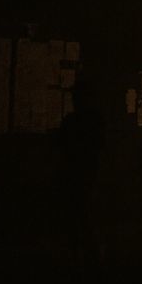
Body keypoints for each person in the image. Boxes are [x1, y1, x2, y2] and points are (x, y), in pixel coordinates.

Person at [58, 79, 104, 265]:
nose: (75, 100)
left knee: (83, 216)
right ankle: (83, 253)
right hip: (78, 174)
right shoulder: (78, 121)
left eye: (77, 97)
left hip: (84, 175)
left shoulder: (83, 121)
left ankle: (85, 254)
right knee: (79, 216)